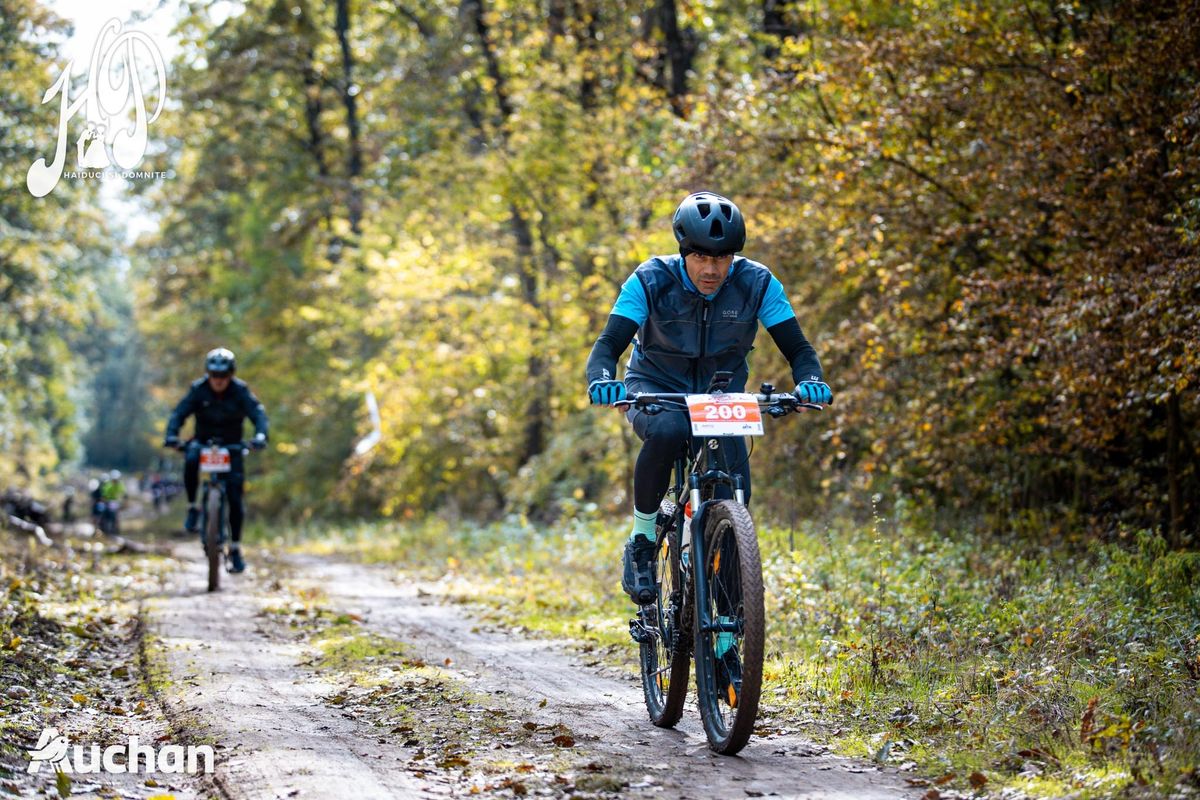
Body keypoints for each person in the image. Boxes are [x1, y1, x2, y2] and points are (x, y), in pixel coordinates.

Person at [585, 191, 833, 606]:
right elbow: (607, 346)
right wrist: (603, 380)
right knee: (666, 431)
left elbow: (799, 350)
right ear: (684, 252)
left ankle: (726, 640)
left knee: (736, 502)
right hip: (655, 385)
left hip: (722, 395)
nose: (712, 268)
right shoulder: (649, 280)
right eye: (701, 256)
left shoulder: (757, 283)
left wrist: (810, 380)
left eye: (723, 258)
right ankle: (643, 539)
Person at [162, 348, 269, 573]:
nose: (218, 381)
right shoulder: (197, 390)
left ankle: (236, 549)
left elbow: (257, 413)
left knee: (235, 496)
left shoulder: (240, 391)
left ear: (230, 375)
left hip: (232, 447)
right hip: (204, 443)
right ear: (208, 374)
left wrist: (260, 436)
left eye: (223, 377)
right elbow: (179, 413)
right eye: (214, 376)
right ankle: (192, 507)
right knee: (190, 459)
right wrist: (172, 435)